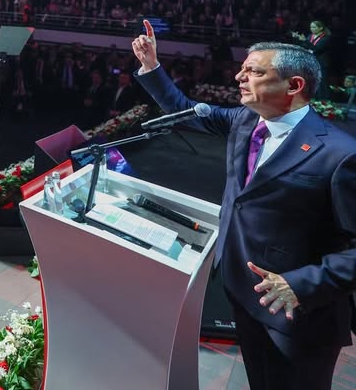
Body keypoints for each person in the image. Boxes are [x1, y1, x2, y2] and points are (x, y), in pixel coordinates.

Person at [131, 20, 356, 390]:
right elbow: (183, 108)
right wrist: (152, 66)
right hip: (243, 293)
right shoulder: (243, 120)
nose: (239, 76)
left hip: (297, 313)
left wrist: (301, 283)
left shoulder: (339, 154)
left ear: (293, 85)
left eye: (253, 71)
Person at [291, 21, 332, 99]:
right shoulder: (310, 36)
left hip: (321, 62)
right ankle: (314, 99)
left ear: (320, 28)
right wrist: (296, 39)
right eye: (311, 27)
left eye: (314, 27)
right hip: (311, 62)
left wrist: (305, 40)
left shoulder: (326, 38)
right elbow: (304, 46)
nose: (311, 29)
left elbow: (316, 48)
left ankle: (324, 101)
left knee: (321, 82)